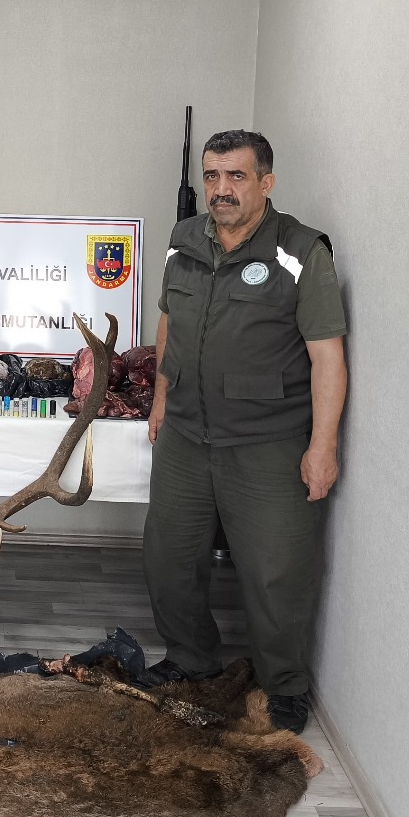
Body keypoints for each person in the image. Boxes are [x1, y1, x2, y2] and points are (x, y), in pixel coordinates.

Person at [141, 130, 348, 735]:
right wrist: (159, 400)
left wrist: (323, 447)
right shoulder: (184, 241)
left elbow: (328, 357)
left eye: (236, 176)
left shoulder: (301, 252)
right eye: (212, 176)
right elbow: (169, 321)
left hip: (267, 443)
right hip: (185, 433)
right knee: (169, 560)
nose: (221, 190)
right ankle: (189, 660)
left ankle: (283, 684)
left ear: (266, 182)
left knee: (276, 571)